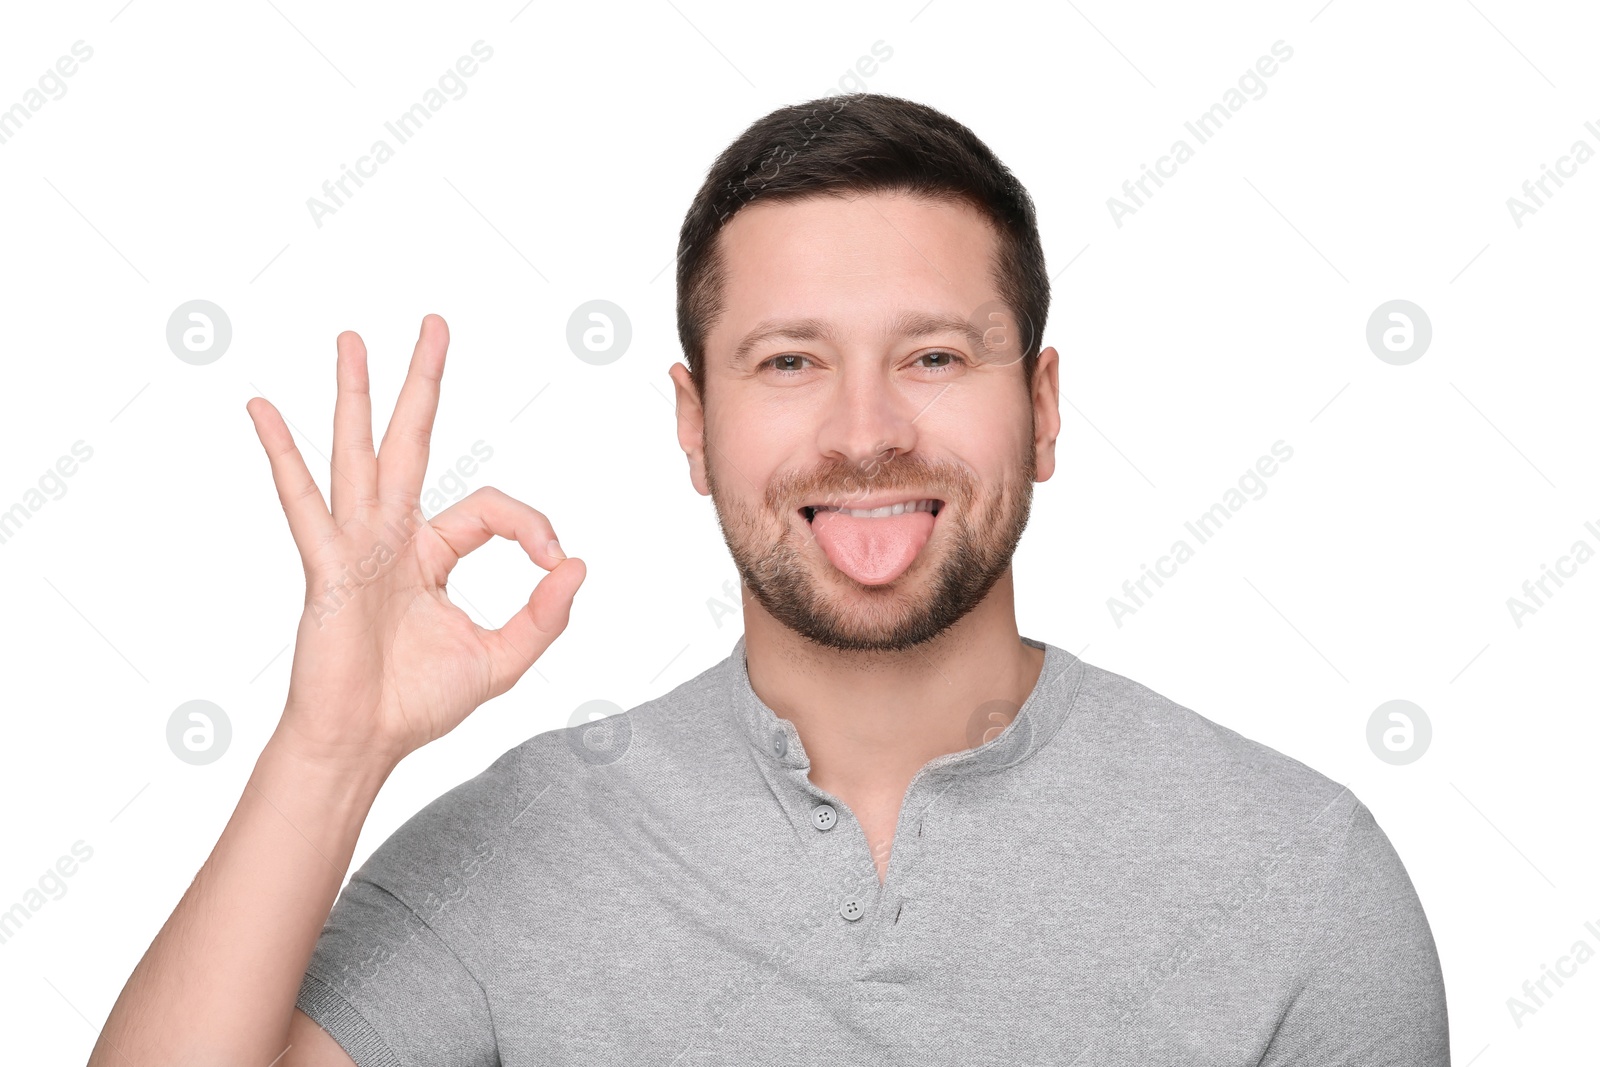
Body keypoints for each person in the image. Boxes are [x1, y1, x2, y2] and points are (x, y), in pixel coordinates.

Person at [92, 93, 1449, 1066]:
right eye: (790, 361)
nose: (866, 432)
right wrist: (328, 750)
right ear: (693, 424)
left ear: (1042, 408)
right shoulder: (516, 859)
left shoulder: (1299, 876)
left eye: (933, 357)